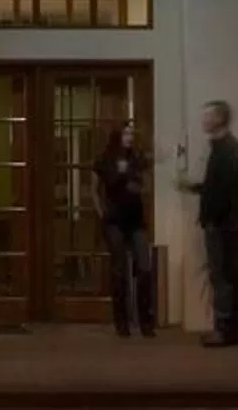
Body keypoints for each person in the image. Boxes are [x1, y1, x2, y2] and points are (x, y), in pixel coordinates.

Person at [179, 98, 238, 346]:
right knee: (222, 275)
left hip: (224, 224)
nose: (203, 121)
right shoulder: (223, 147)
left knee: (222, 276)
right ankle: (225, 328)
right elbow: (217, 186)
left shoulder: (228, 149)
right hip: (223, 221)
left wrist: (211, 218)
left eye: (208, 116)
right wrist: (196, 187)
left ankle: (225, 330)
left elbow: (224, 191)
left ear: (220, 118)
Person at [91, 119, 154, 336]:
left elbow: (144, 184)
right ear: (118, 136)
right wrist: (102, 214)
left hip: (136, 220)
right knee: (119, 271)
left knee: (145, 267)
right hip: (114, 220)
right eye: (126, 134)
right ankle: (122, 323)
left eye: (131, 134)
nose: (129, 137)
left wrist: (136, 178)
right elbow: (95, 189)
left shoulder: (136, 158)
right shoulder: (105, 159)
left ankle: (146, 321)